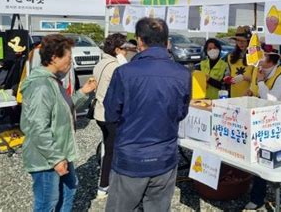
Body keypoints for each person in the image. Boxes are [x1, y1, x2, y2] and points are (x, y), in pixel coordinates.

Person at [104, 18, 191, 212]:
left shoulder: (124, 73)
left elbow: (110, 114)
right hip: (165, 156)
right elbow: (181, 112)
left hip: (130, 158)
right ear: (167, 42)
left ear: (139, 41)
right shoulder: (182, 73)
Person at [20, 34, 97, 212]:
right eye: (68, 58)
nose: (71, 63)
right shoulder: (40, 86)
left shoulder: (53, 82)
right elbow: (37, 128)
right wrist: (56, 159)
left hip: (62, 152)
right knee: (47, 202)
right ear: (54, 58)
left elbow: (63, 109)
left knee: (69, 189)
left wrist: (84, 92)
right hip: (47, 158)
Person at [245, 44, 281, 211]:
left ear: (272, 59)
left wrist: (260, 83)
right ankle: (257, 197)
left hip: (280, 124)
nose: (258, 60)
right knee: (258, 158)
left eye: (261, 56)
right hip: (261, 123)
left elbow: (272, 100)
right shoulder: (259, 71)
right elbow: (256, 92)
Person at [92, 33, 131, 199]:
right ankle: (111, 185)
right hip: (110, 114)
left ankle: (104, 185)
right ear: (117, 50)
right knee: (115, 151)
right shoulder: (116, 67)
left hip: (99, 112)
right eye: (125, 49)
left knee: (108, 150)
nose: (128, 52)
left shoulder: (100, 62)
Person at [225, 26, 254, 97]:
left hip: (249, 95)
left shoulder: (254, 58)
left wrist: (244, 77)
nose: (240, 43)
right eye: (238, 40)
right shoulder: (230, 57)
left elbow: (258, 80)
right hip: (234, 95)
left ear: (249, 41)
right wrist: (227, 78)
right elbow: (228, 73)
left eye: (243, 40)